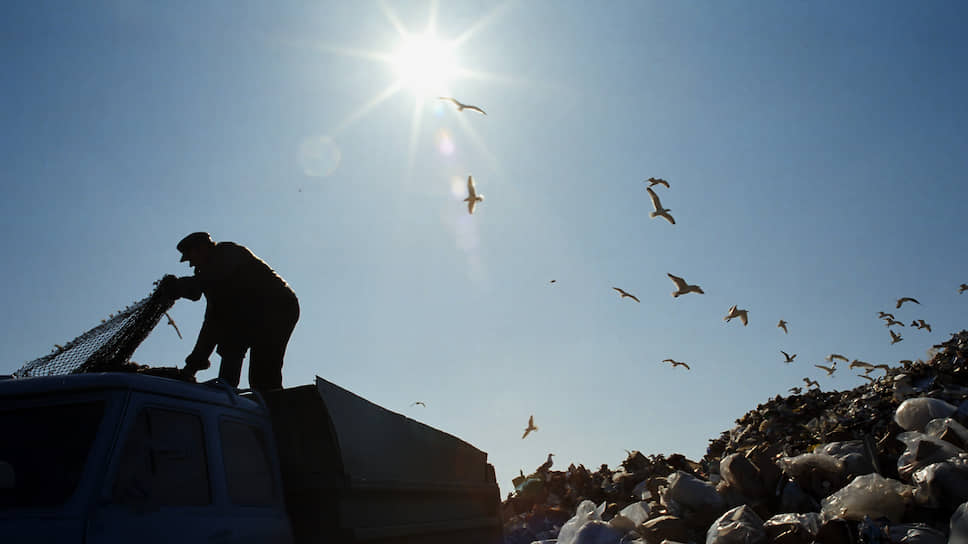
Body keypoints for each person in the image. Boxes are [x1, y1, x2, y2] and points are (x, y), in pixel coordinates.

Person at [160, 232, 299, 390]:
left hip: (278, 308)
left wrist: (181, 286)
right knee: (231, 343)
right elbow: (211, 326)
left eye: (190, 258)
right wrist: (192, 367)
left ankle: (275, 406)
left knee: (262, 375)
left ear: (201, 249)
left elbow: (210, 279)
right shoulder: (211, 281)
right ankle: (226, 388)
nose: (191, 265)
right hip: (250, 314)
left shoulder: (227, 252)